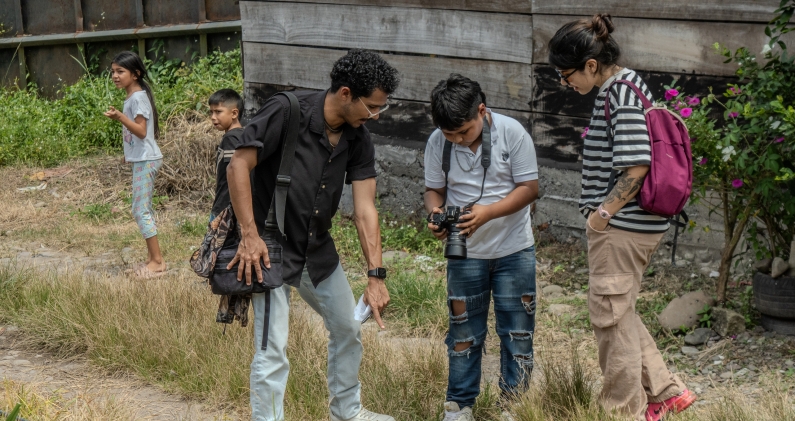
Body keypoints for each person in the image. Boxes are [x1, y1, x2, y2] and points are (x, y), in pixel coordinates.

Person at [226, 49, 398, 421]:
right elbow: (239, 164)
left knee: (347, 328)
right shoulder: (287, 111)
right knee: (273, 348)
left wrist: (375, 275)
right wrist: (249, 236)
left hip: (316, 246)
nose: (376, 115)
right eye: (372, 107)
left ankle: (347, 412)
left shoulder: (358, 138)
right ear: (346, 93)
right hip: (269, 246)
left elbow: (365, 209)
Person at [547, 14, 696, 421]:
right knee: (619, 311)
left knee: (608, 319)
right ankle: (665, 392)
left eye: (566, 74)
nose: (565, 83)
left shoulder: (620, 94)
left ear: (591, 65)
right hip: (630, 225)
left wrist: (602, 214)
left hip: (623, 226)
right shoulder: (625, 87)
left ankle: (622, 411)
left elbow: (636, 167)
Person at [424, 74, 539, 421]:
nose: (457, 139)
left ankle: (515, 407)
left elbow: (530, 188)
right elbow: (434, 189)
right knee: (463, 333)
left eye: (464, 132)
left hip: (514, 251)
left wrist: (487, 213)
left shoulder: (512, 133)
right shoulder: (437, 141)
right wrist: (436, 213)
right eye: (450, 135)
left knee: (518, 333)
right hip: (465, 255)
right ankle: (459, 406)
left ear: (482, 111)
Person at [103, 51, 166, 279]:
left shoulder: (138, 98)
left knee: (140, 210)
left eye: (121, 71)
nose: (115, 76)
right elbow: (139, 136)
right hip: (142, 158)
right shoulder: (132, 97)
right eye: (113, 72)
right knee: (141, 209)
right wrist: (128, 154)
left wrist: (120, 117)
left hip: (147, 159)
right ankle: (151, 259)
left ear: (136, 74)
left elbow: (140, 131)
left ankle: (158, 262)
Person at [208, 88, 244, 222]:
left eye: (218, 112)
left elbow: (234, 176)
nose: (213, 117)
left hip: (225, 209)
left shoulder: (230, 139)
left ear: (234, 113)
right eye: (211, 112)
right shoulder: (242, 136)